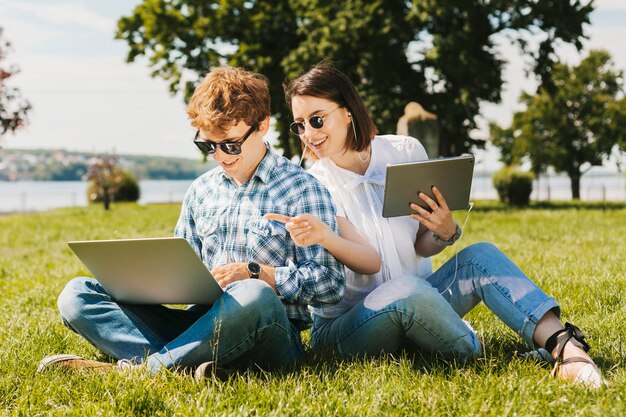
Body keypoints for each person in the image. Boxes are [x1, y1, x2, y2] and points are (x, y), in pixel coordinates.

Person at [275, 64, 603, 387]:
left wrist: (443, 232)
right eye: (299, 125)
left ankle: (565, 346)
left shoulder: (403, 151)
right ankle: (485, 354)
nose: (308, 134)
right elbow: (370, 261)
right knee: (406, 290)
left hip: (420, 298)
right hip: (350, 328)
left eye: (316, 120)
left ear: (348, 112)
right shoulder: (314, 185)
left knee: (479, 256)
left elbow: (420, 244)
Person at [37, 66, 346, 379]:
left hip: (268, 332)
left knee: (254, 294)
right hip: (200, 324)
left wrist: (259, 274)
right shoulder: (202, 190)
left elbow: (331, 285)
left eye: (231, 144)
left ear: (263, 125)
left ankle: (140, 371)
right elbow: (185, 271)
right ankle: (198, 366)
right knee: (77, 295)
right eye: (208, 146)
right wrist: (150, 282)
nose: (221, 157)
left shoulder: (303, 188)